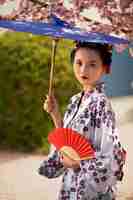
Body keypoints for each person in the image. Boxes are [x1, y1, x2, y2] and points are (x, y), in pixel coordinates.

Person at [38, 41, 126, 200]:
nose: (83, 70)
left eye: (92, 64)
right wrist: (56, 114)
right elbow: (66, 141)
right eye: (79, 63)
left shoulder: (101, 104)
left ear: (105, 68)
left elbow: (111, 155)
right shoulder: (75, 100)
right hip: (71, 181)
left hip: (89, 187)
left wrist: (79, 163)